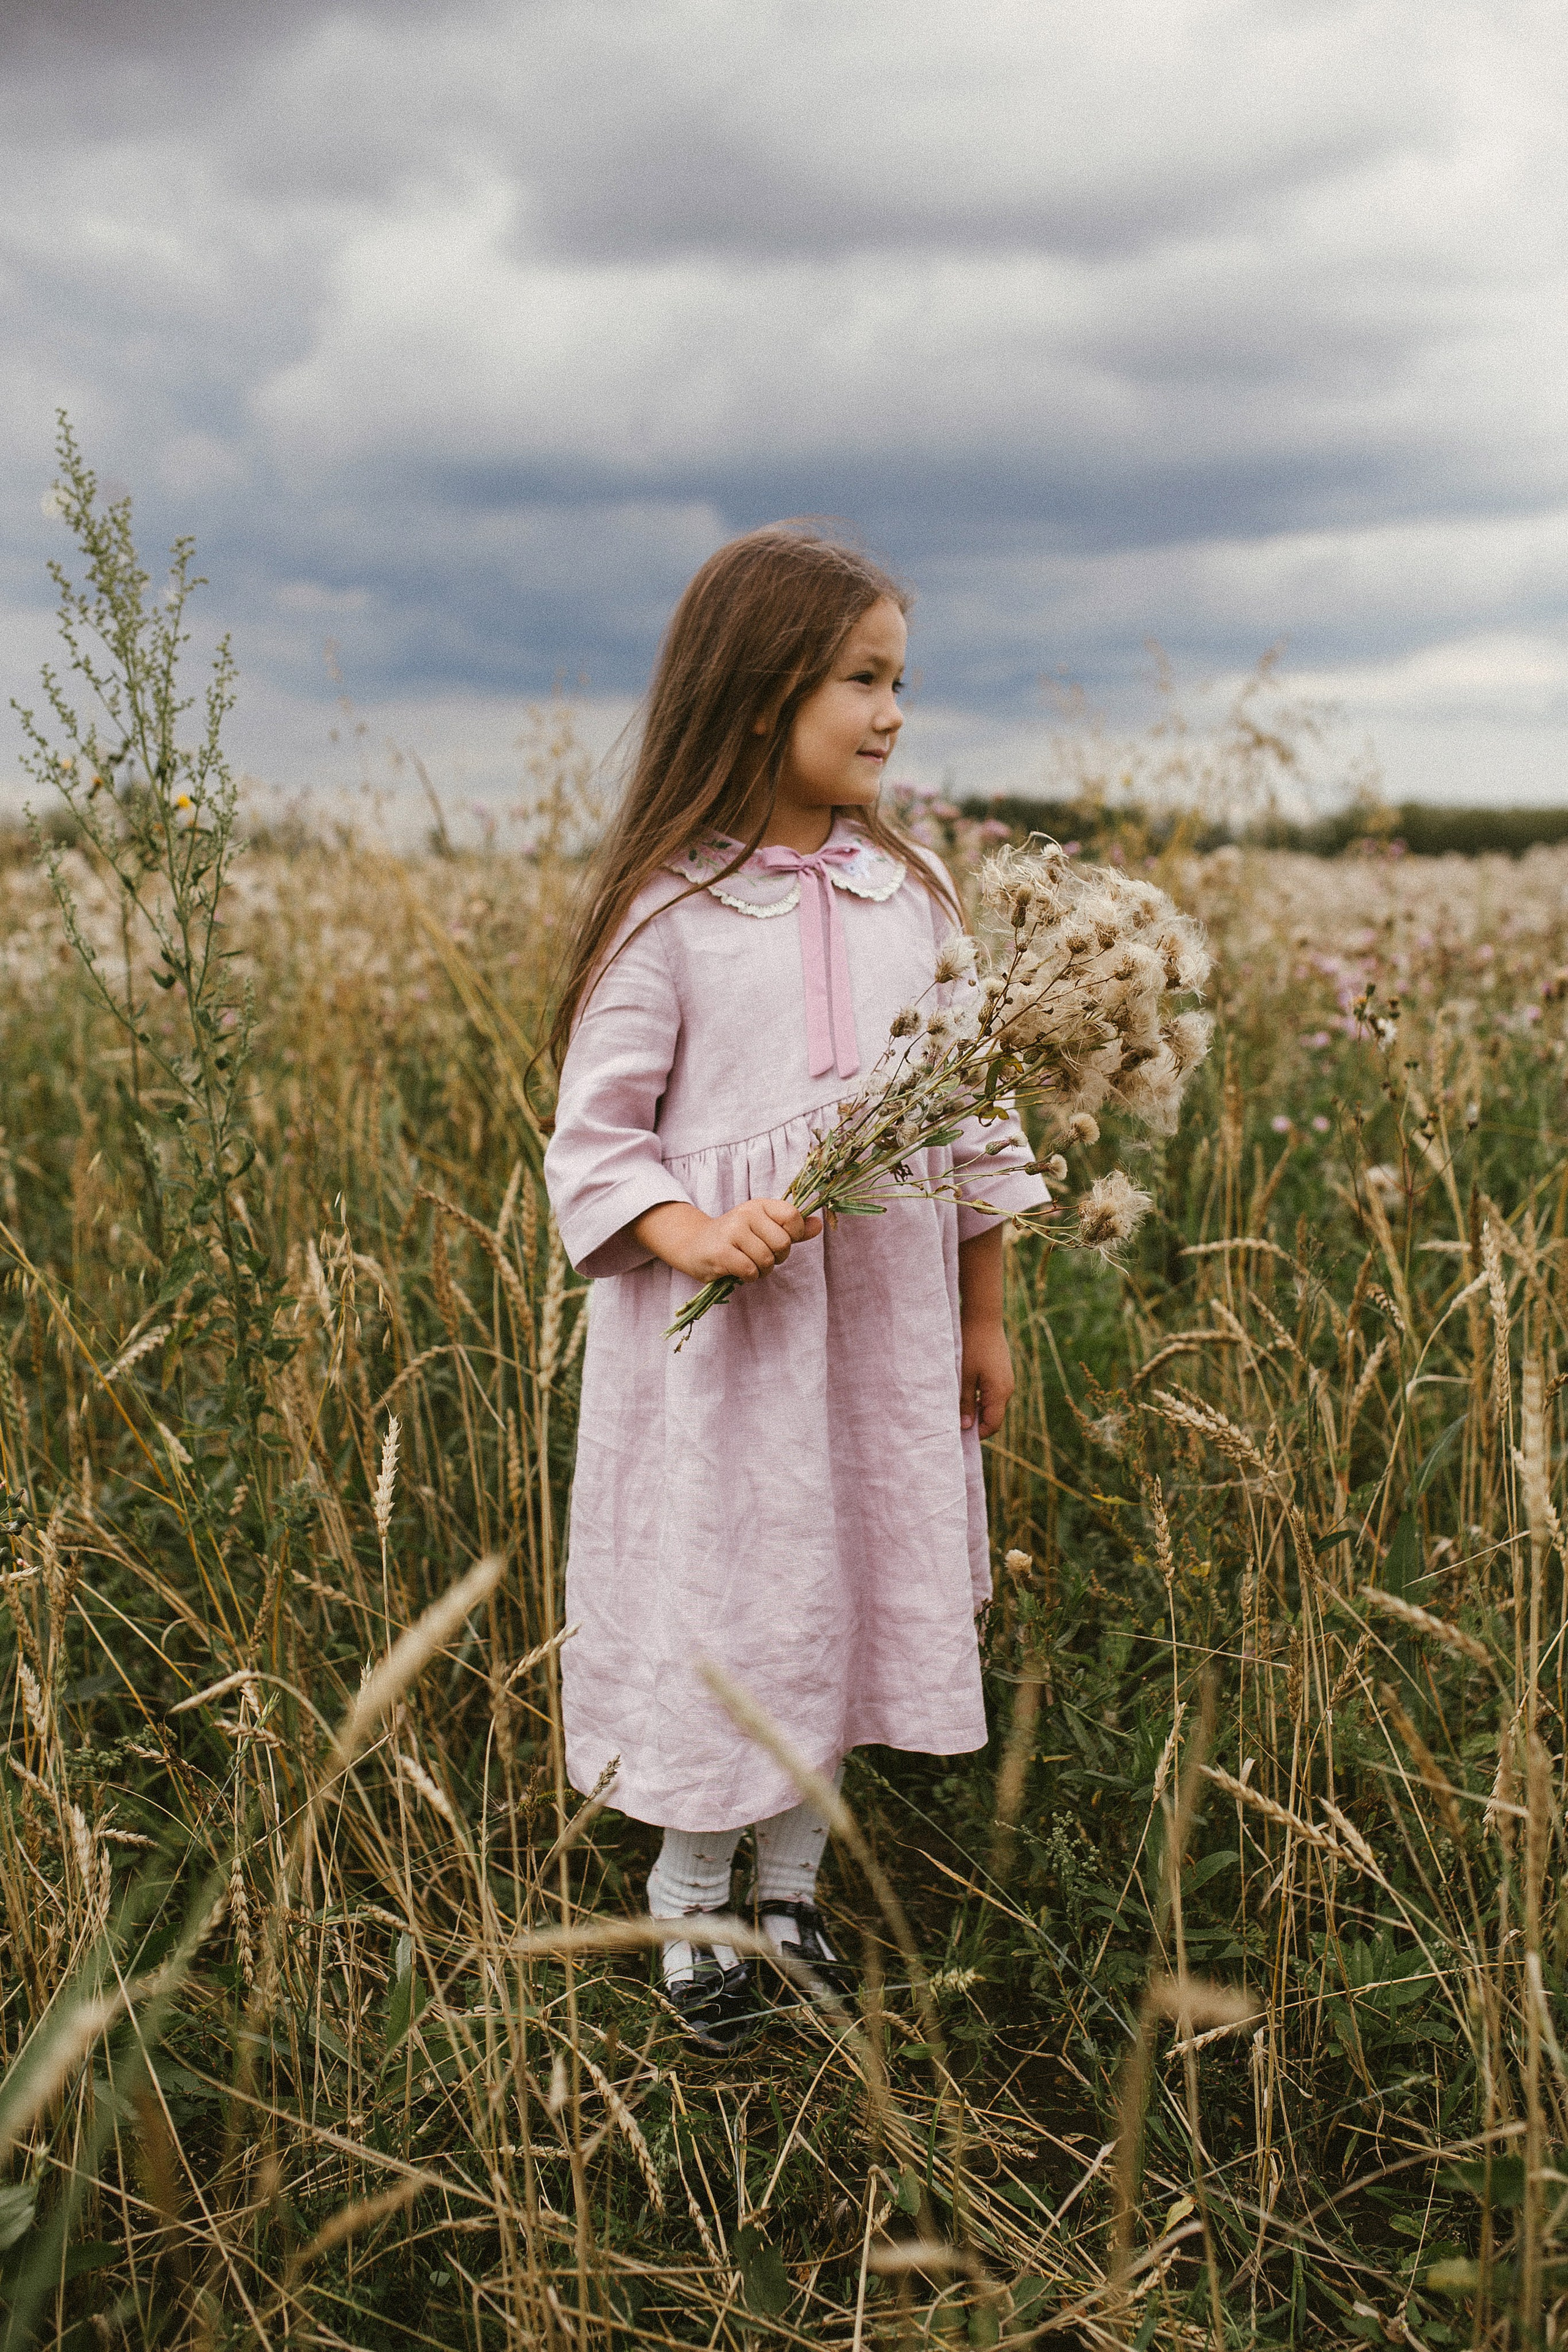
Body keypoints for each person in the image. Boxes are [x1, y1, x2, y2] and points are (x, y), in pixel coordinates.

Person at [543, 525, 1045, 2052]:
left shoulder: (916, 895)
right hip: (734, 1354)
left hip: (882, 1333)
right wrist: (690, 1237)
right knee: (734, 1583)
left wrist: (980, 1313)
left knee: (852, 1572)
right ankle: (693, 1883)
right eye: (862, 679)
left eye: (900, 681)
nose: (892, 714)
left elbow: (972, 1115)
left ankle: (791, 1884)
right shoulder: (670, 909)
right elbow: (595, 1139)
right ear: (761, 691)